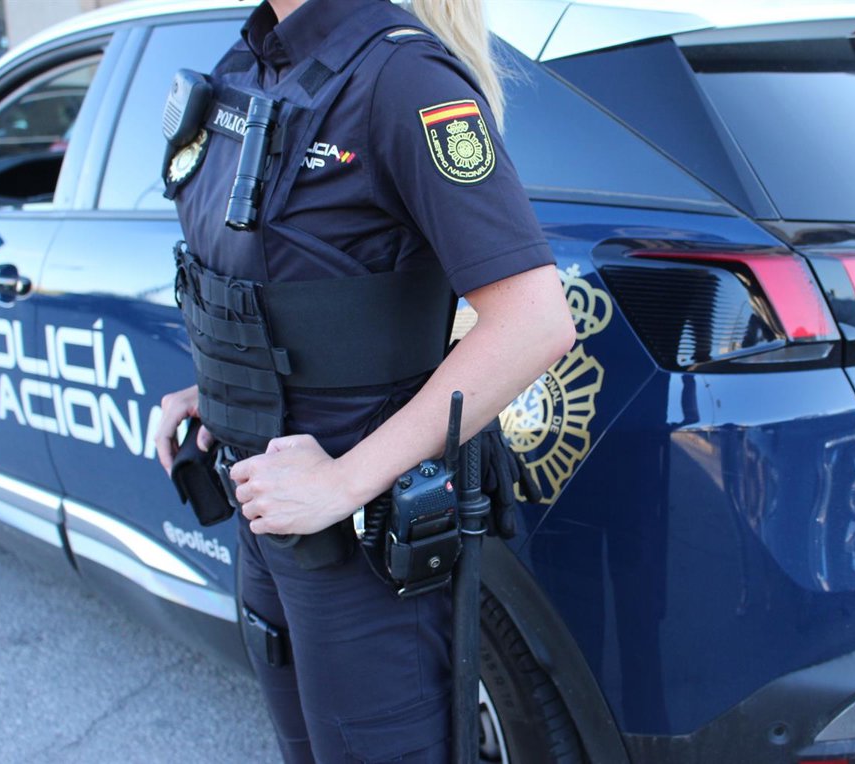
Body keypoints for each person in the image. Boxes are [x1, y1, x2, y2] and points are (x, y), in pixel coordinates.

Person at [151, 0, 575, 761]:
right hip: (268, 511)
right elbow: (288, 286)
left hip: (361, 548)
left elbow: (534, 322)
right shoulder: (251, 62)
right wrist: (217, 388)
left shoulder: (401, 76)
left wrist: (344, 482)